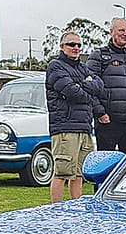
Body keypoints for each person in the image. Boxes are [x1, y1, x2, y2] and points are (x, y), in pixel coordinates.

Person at [44, 34, 103, 203]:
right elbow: (71, 91)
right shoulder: (55, 67)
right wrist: (87, 86)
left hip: (84, 127)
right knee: (62, 172)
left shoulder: (82, 68)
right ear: (62, 46)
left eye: (78, 44)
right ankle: (55, 210)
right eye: (71, 44)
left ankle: (75, 207)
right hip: (65, 128)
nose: (76, 47)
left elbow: (99, 86)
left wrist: (83, 84)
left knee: (78, 173)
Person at [85, 17, 126, 153]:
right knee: (105, 164)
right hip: (108, 122)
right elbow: (88, 88)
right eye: (121, 30)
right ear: (112, 32)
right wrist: (100, 113)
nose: (125, 34)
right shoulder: (99, 56)